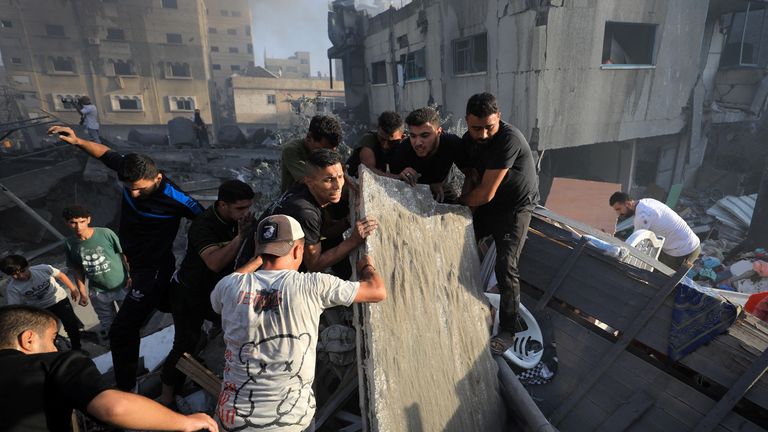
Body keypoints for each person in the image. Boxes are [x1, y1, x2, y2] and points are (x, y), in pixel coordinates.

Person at [48, 125, 204, 391]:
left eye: (140, 190)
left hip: (153, 268)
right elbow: (106, 154)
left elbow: (206, 223)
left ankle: (126, 390)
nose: (133, 194)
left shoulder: (179, 200)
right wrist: (77, 141)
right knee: (170, 304)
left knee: (121, 331)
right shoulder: (131, 170)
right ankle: (189, 325)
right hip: (129, 264)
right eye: (129, 189)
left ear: (157, 178)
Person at [211, 214, 386, 431]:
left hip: (231, 419)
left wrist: (260, 258)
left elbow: (224, 291)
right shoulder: (311, 285)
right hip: (288, 423)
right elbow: (377, 291)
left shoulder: (228, 286)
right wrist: (366, 267)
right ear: (298, 250)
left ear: (259, 250)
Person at [0, 305, 218, 431]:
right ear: (28, 340)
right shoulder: (54, 363)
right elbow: (114, 408)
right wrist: (186, 422)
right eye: (53, 339)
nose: (55, 348)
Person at [160, 180, 255, 406]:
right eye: (240, 208)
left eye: (248, 207)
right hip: (189, 294)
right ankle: (166, 397)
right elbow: (214, 262)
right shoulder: (203, 225)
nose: (246, 213)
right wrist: (240, 238)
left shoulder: (242, 221)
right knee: (184, 345)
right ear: (222, 205)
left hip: (217, 294)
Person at [458, 92, 540, 356]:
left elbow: (484, 193)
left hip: (515, 208)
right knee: (457, 240)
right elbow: (471, 178)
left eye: (488, 127)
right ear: (467, 122)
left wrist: (457, 206)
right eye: (475, 128)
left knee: (506, 266)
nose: (482, 134)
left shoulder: (509, 139)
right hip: (490, 205)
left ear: (499, 119)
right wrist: (461, 217)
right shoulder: (468, 141)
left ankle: (508, 330)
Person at [235, 149, 378, 273]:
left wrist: (348, 221)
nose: (337, 186)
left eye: (340, 177)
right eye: (328, 180)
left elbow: (323, 230)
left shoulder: (302, 189)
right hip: (254, 278)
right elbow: (315, 264)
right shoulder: (305, 211)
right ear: (309, 180)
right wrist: (353, 240)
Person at [62, 205, 130, 338]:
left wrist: (130, 275)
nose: (78, 227)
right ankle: (116, 345)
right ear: (67, 223)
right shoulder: (70, 243)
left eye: (82, 222)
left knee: (129, 318)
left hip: (121, 285)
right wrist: (82, 292)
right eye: (73, 223)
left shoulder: (105, 233)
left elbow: (123, 255)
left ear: (88, 219)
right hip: (98, 292)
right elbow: (77, 269)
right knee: (108, 324)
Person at [1, 255, 86, 351]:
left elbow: (60, 275)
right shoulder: (13, 288)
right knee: (48, 332)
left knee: (71, 325)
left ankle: (77, 348)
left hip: (59, 300)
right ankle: (56, 350)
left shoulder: (42, 269)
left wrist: (73, 289)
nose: (21, 276)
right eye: (15, 275)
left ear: (28, 266)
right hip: (40, 309)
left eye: (23, 271)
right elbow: (15, 307)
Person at [388, 107, 467, 202]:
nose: (418, 143)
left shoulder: (451, 144)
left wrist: (465, 202)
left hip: (445, 193)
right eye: (413, 136)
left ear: (438, 132)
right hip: (415, 196)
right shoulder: (403, 151)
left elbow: (471, 174)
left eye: (424, 136)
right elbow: (392, 188)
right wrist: (401, 176)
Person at [609, 192, 701, 269]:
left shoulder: (643, 216)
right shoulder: (647, 201)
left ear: (628, 203)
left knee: (661, 279)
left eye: (619, 209)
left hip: (684, 252)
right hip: (691, 244)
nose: (618, 213)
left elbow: (634, 245)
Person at [280, 115, 343, 192]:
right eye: (323, 150)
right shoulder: (292, 150)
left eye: (331, 151)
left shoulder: (329, 149)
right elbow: (308, 180)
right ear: (309, 137)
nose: (327, 155)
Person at [346, 111, 404, 177]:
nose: (385, 146)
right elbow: (369, 171)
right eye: (382, 139)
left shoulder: (406, 143)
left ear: (402, 136)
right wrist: (399, 177)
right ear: (378, 130)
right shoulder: (369, 139)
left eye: (391, 142)